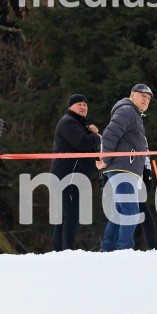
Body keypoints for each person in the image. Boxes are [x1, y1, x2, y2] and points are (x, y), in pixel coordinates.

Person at [98, 84, 152, 251]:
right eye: (142, 95)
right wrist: (106, 159)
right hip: (122, 168)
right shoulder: (128, 111)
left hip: (126, 168)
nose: (146, 99)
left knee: (121, 209)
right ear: (132, 94)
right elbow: (109, 134)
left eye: (148, 98)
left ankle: (107, 247)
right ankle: (124, 249)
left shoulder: (134, 114)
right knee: (130, 209)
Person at [49, 94, 102, 251]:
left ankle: (59, 250)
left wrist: (92, 134)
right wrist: (96, 136)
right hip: (67, 177)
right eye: (79, 104)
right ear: (70, 107)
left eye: (85, 105)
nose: (83, 107)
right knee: (71, 215)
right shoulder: (68, 122)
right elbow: (82, 143)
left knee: (64, 216)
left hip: (70, 177)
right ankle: (67, 251)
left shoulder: (79, 124)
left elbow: (90, 148)